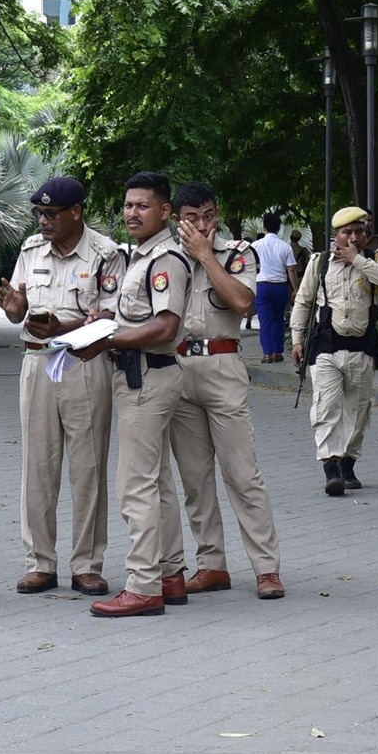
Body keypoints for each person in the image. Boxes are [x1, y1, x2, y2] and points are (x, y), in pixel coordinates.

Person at [0, 176, 125, 598]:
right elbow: (19, 306)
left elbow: (110, 317)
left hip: (84, 361)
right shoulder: (31, 250)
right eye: (40, 214)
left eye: (52, 214)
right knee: (38, 466)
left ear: (76, 212)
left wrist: (65, 326)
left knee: (88, 468)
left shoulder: (106, 253)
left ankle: (87, 564)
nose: (44, 221)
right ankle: (40, 563)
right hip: (37, 361)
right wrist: (15, 310)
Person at [70, 172, 191, 617]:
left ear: (164, 212)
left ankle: (144, 586)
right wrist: (106, 322)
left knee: (134, 487)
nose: (132, 213)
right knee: (156, 483)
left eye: (143, 206)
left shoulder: (165, 260)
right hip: (141, 376)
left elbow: (165, 326)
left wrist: (109, 340)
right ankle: (171, 574)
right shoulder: (139, 258)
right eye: (127, 205)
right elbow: (140, 317)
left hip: (148, 378)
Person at [163, 182, 285, 600]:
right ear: (176, 219)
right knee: (195, 479)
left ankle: (266, 568)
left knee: (241, 474)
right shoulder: (164, 258)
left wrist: (205, 256)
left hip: (222, 366)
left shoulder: (238, 253)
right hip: (178, 368)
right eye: (192, 218)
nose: (202, 225)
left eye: (209, 216)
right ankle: (211, 564)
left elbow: (241, 302)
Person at [290, 206, 378, 495]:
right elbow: (303, 302)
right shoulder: (320, 262)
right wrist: (297, 340)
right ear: (335, 235)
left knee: (358, 412)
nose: (353, 237)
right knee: (326, 408)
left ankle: (348, 462)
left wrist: (358, 261)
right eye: (346, 232)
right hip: (326, 346)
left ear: (365, 234)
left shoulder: (375, 258)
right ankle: (331, 468)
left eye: (358, 232)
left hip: (362, 347)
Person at [251, 213, 297, 362]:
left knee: (265, 321)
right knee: (278, 319)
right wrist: (296, 289)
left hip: (262, 286)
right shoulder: (285, 247)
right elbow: (291, 270)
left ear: (264, 228)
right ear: (279, 229)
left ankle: (267, 353)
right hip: (280, 287)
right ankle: (278, 351)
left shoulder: (255, 246)